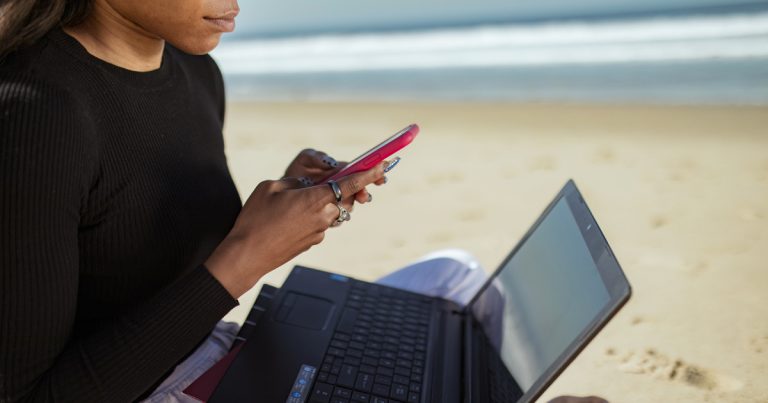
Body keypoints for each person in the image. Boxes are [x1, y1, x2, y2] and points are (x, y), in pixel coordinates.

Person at [0, 1, 608, 402]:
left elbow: (139, 237)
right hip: (144, 389)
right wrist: (248, 256)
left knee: (457, 275)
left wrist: (283, 204)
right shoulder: (35, 112)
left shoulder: (194, 71)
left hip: (216, 348)